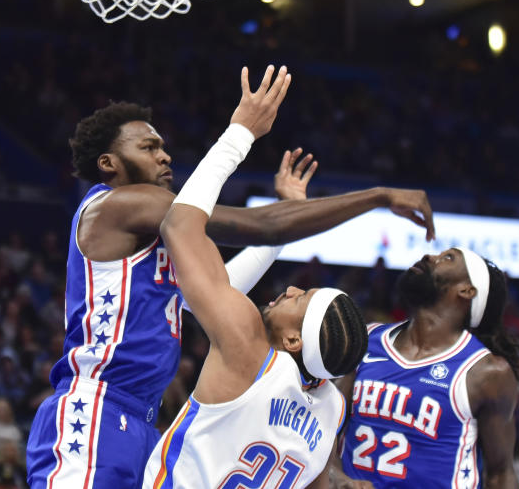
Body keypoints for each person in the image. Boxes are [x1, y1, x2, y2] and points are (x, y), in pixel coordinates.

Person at [26, 65, 435, 489]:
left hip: (140, 420)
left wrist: (278, 235)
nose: (164, 155)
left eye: (163, 146)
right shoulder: (117, 205)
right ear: (108, 163)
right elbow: (254, 224)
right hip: (95, 409)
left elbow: (216, 287)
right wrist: (376, 195)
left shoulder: (149, 228)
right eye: (148, 147)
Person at [142, 64, 375, 488]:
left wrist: (240, 133)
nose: (288, 289)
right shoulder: (332, 411)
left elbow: (178, 226)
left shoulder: (249, 350)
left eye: (299, 299)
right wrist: (280, 234)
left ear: (292, 341)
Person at [330, 247, 519, 489]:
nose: (430, 257)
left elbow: (501, 473)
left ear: (466, 290)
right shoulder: (365, 339)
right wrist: (336, 476)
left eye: (448, 258)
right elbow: (325, 428)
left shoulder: (487, 372)